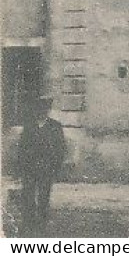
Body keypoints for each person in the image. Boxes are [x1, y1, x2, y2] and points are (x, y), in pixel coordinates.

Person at [17, 98, 66, 234]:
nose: (41, 112)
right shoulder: (29, 126)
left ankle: (42, 222)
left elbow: (60, 148)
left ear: (48, 111)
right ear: (35, 110)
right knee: (28, 193)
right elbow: (22, 147)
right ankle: (29, 221)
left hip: (46, 167)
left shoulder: (55, 126)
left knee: (44, 194)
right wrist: (21, 165)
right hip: (30, 167)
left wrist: (56, 167)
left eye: (44, 109)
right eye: (38, 109)